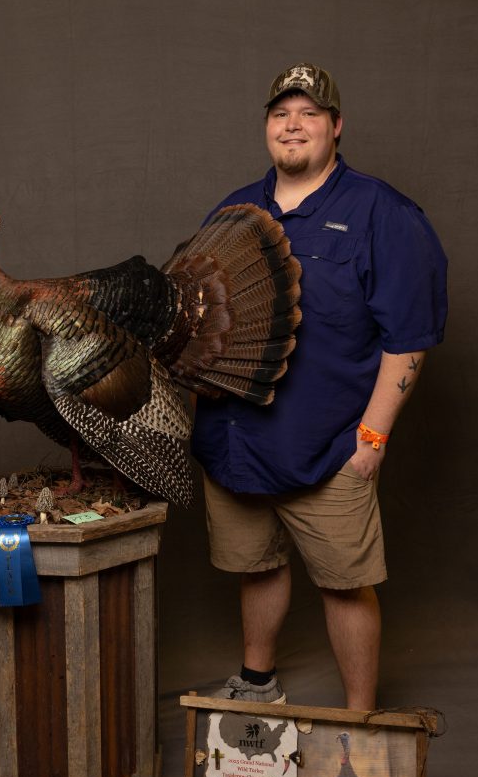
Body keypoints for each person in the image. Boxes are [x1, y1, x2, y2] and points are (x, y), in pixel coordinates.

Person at [191, 62, 448, 711]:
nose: (293, 125)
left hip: (328, 445)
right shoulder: (232, 211)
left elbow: (408, 337)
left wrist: (372, 438)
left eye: (308, 113)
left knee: (344, 583)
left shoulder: (382, 214)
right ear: (266, 129)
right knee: (256, 565)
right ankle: (256, 683)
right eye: (281, 114)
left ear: (336, 126)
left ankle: (360, 721)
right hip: (235, 441)